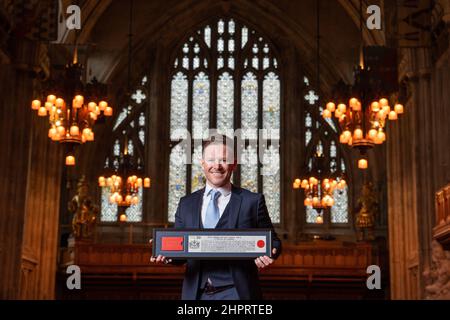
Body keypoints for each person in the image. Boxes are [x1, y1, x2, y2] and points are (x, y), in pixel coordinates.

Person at [151, 135, 281, 300]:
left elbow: (274, 241)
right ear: (202, 163)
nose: (217, 166)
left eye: (224, 160)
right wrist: (165, 254)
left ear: (233, 164)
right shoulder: (186, 204)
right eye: (211, 159)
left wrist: (270, 252)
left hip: (238, 294)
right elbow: (181, 251)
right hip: (196, 295)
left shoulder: (252, 201)